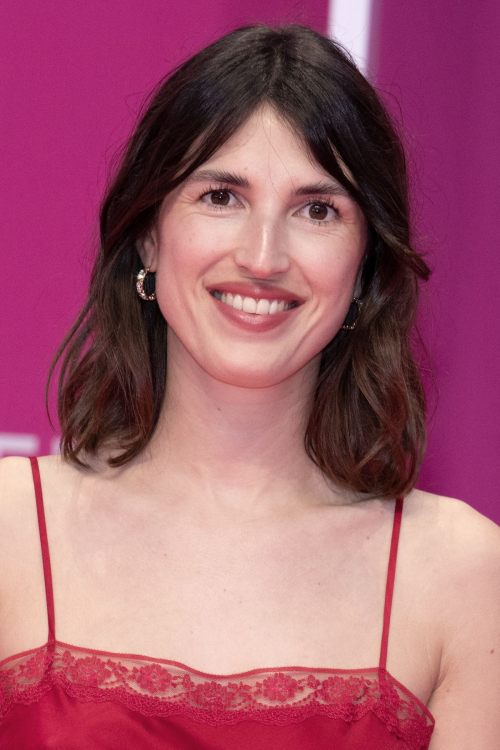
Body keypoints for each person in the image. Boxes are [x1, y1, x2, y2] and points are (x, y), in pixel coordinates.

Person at [0, 23, 498, 750]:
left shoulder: (464, 577)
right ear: (147, 234)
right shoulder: (11, 531)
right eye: (221, 196)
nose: (263, 256)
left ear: (364, 269)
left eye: (317, 210)